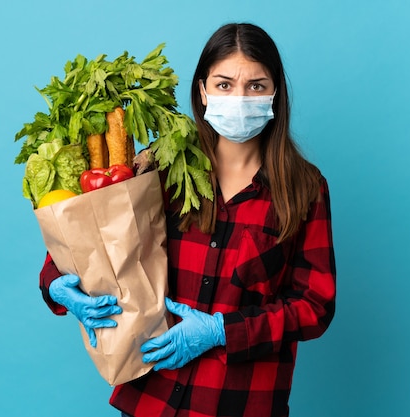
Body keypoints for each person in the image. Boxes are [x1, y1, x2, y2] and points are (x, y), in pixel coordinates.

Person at [39, 22, 336, 417]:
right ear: (202, 90)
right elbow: (90, 241)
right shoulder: (157, 167)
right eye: (225, 84)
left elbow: (315, 305)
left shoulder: (304, 188)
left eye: (256, 86)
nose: (240, 98)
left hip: (241, 404)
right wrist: (59, 288)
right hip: (152, 397)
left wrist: (220, 332)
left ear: (276, 93)